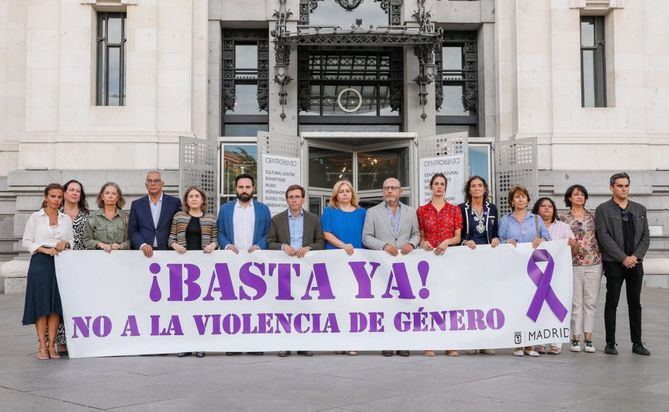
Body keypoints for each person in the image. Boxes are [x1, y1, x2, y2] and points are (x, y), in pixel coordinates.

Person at [362, 177, 420, 357]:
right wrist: (384, 246)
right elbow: (366, 237)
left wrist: (412, 244)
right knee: (385, 305)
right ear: (382, 191)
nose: (389, 191)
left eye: (393, 188)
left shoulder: (411, 212)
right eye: (386, 188)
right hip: (383, 267)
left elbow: (417, 234)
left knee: (404, 304)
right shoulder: (372, 212)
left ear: (400, 191)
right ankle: (387, 342)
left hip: (405, 265)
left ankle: (403, 342)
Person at [595, 172, 651, 356]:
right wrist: (622, 258)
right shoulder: (603, 209)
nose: (624, 189)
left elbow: (645, 236)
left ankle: (637, 343)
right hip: (614, 263)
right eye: (620, 186)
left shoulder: (639, 209)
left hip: (635, 263)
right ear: (612, 187)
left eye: (626, 185)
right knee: (612, 302)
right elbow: (603, 237)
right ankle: (610, 343)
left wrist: (635, 256)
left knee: (635, 303)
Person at [267, 184, 324, 357]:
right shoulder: (277, 219)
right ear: (286, 200)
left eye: (297, 197)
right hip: (284, 270)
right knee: (285, 308)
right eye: (291, 197)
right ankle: (285, 344)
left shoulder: (314, 219)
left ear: (303, 199)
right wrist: (283, 246)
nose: (294, 200)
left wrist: (308, 248)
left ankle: (304, 344)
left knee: (304, 307)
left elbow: (320, 243)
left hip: (306, 270)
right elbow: (269, 242)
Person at [21, 184, 74, 360]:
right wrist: (45, 249)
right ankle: (42, 346)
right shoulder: (35, 218)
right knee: (42, 305)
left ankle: (52, 346)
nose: (56, 200)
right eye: (53, 196)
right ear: (45, 197)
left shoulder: (65, 218)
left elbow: (71, 241)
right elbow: (27, 242)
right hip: (41, 262)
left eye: (59, 197)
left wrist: (64, 244)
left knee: (55, 307)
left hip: (60, 263)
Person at [499, 185, 551, 357]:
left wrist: (541, 239)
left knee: (532, 304)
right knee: (516, 304)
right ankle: (518, 342)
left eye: (524, 197)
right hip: (514, 268)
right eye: (517, 197)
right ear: (512, 201)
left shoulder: (536, 219)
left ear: (528, 200)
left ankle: (530, 344)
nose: (521, 199)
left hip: (533, 268)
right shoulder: (505, 220)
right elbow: (499, 239)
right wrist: (506, 242)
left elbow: (549, 239)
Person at [169, 186, 218, 358]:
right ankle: (185, 344)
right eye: (191, 196)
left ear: (202, 199)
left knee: (202, 307)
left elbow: (216, 238)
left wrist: (213, 245)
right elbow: (171, 238)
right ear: (186, 200)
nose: (194, 199)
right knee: (184, 307)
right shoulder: (179, 216)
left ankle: (200, 343)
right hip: (183, 269)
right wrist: (175, 245)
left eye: (197, 196)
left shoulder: (211, 218)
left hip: (203, 269)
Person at [417, 173, 462, 357]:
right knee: (430, 303)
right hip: (429, 261)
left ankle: (449, 343)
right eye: (436, 183)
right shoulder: (422, 210)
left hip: (448, 260)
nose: (439, 187)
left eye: (442, 184)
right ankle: (430, 343)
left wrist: (447, 242)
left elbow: (458, 237)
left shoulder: (454, 210)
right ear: (430, 186)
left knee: (448, 301)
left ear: (445, 187)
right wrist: (422, 242)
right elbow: (420, 235)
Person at [321, 180, 366, 356]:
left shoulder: (363, 213)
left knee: (354, 303)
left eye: (348, 191)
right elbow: (326, 233)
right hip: (336, 262)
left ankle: (353, 341)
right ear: (336, 195)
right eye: (341, 191)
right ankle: (338, 341)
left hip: (357, 264)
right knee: (337, 302)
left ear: (352, 194)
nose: (345, 194)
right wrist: (343, 246)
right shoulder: (329, 212)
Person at [458, 175, 499, 355]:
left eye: (479, 185)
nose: (476, 188)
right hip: (468, 258)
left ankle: (486, 340)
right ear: (469, 190)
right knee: (469, 298)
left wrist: (497, 238)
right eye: (473, 186)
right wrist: (465, 242)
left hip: (488, 259)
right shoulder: (461, 209)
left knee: (487, 297)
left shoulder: (492, 208)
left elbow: (496, 232)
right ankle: (471, 340)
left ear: (484, 189)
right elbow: (459, 235)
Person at [533, 196, 578, 355]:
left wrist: (573, 245)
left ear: (554, 210)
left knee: (556, 305)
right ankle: (538, 341)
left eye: (550, 206)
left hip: (558, 273)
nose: (546, 208)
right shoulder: (532, 225)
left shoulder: (563, 227)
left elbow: (575, 250)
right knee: (538, 306)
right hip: (537, 272)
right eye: (543, 206)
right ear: (537, 209)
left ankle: (555, 342)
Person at [561, 184, 602, 354]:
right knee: (576, 303)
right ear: (569, 198)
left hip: (594, 262)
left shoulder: (593, 216)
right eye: (575, 194)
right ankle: (575, 338)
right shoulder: (563, 219)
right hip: (573, 264)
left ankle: (589, 338)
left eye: (582, 194)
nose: (579, 197)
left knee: (590, 303)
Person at [49, 180, 89, 355]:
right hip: (57, 261)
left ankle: (77, 337)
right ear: (64, 193)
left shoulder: (87, 215)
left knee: (76, 301)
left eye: (78, 191)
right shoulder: (54, 214)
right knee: (57, 301)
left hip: (80, 263)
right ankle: (59, 341)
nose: (74, 193)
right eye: (71, 190)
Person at [128, 171, 181, 257]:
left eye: (156, 181)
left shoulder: (174, 202)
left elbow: (178, 228)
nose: (153, 183)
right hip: (143, 254)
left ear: (162, 184)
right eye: (149, 181)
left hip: (168, 252)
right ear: (146, 185)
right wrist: (142, 245)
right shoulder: (136, 204)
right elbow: (132, 230)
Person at [217, 173, 271, 253]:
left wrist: (259, 246)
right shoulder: (225, 209)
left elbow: (269, 233)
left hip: (257, 258)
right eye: (241, 187)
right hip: (230, 257)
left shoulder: (263, 209)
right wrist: (227, 245)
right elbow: (220, 232)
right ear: (236, 188)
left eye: (248, 187)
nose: (244, 190)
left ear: (253, 188)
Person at [83, 182, 131, 252]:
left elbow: (131, 239)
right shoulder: (93, 216)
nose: (110, 196)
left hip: (120, 258)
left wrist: (121, 246)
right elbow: (86, 240)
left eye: (114, 194)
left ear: (118, 197)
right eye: (107, 193)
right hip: (99, 258)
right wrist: (99, 244)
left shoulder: (126, 217)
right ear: (102, 197)